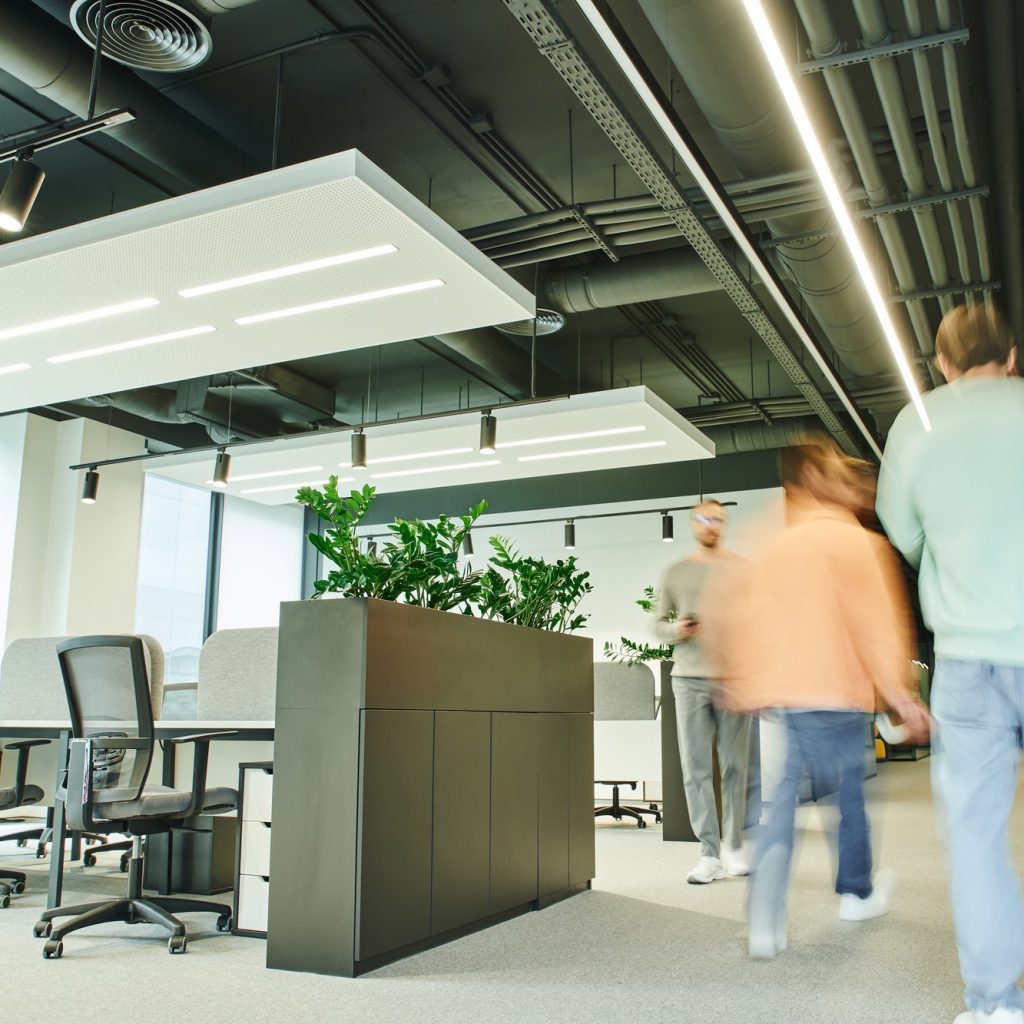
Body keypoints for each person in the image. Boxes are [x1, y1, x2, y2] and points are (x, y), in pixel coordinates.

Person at [721, 440, 929, 959]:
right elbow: (875, 626)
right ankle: (855, 894)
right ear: (815, 475)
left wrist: (746, 682)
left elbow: (747, 615)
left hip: (785, 698)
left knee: (779, 806)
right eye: (839, 472)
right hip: (837, 695)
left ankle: (765, 921)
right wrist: (902, 697)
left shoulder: (772, 538)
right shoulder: (852, 539)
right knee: (851, 801)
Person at [877, 303, 1024, 1024]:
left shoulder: (918, 425)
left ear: (940, 365)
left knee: (975, 837)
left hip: (968, 657)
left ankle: (997, 1005)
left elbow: (903, 533)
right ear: (1013, 356)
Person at [656, 499, 751, 885]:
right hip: (689, 679)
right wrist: (674, 631)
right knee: (695, 769)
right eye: (703, 518)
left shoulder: (742, 570)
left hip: (734, 681)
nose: (711, 524)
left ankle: (734, 848)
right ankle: (708, 853)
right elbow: (657, 622)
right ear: (692, 524)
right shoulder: (675, 573)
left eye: (718, 519)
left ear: (724, 524)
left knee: (735, 767)